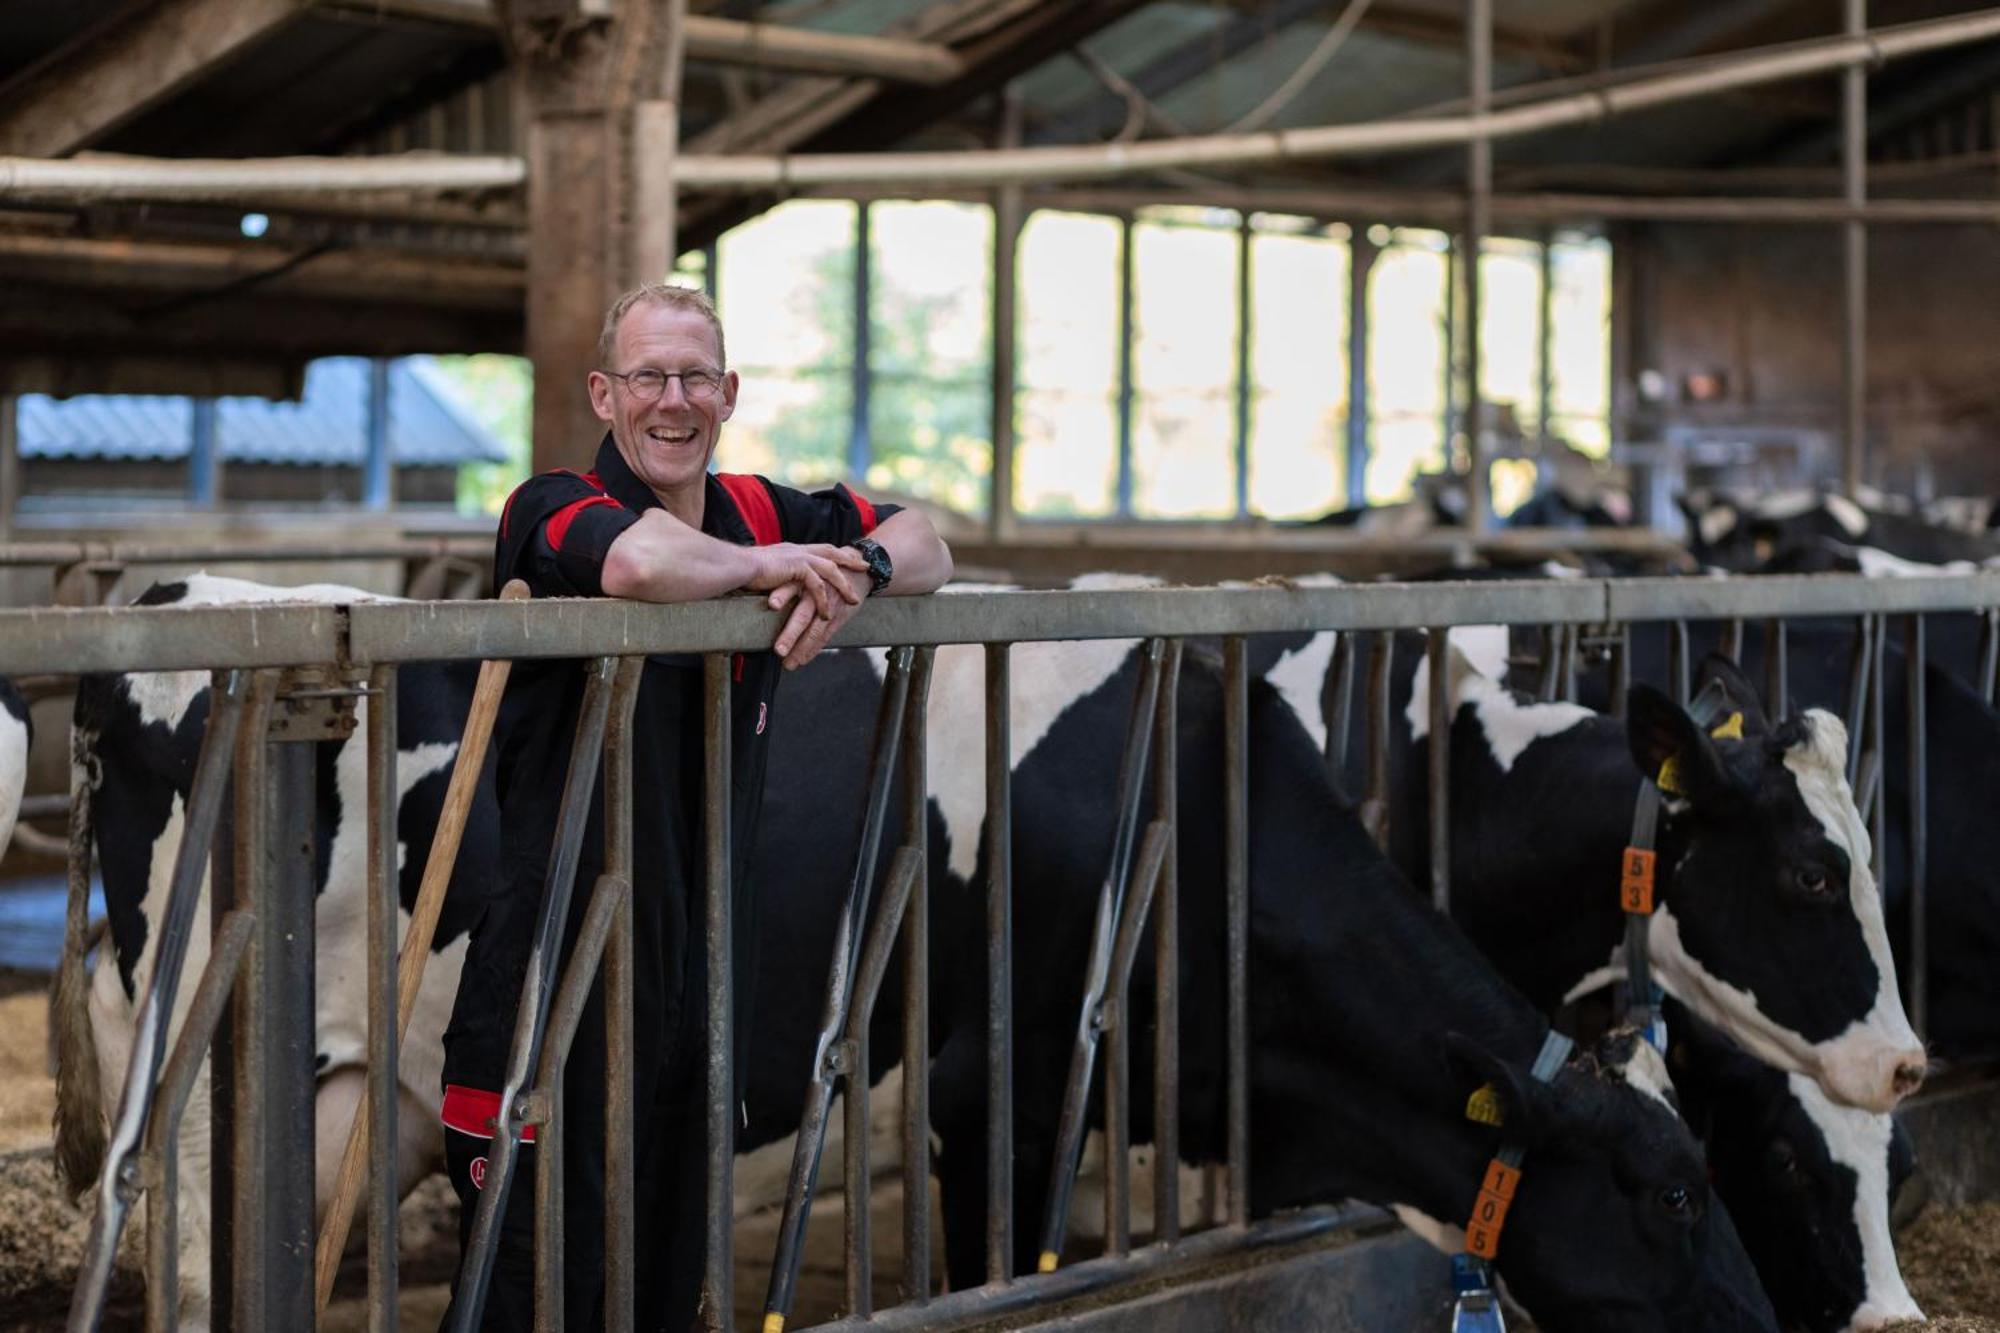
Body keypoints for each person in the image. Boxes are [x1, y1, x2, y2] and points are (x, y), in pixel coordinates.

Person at [440, 283, 953, 1330]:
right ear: (603, 392)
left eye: (691, 379)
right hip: (559, 957)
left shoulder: (760, 508)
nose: (669, 402)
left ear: (727, 392)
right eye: (645, 377)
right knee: (535, 1275)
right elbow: (634, 562)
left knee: (671, 1270)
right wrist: (778, 569)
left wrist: (857, 567)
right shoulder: (549, 505)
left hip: (697, 961)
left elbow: (929, 537)